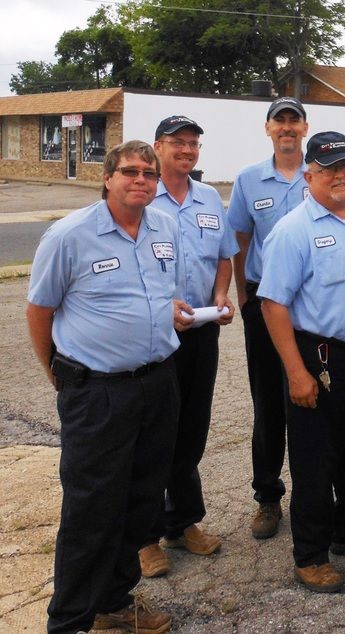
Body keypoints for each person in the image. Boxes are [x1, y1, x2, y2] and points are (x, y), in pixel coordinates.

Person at [27, 140, 191, 634]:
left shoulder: (165, 227)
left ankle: (113, 605)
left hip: (158, 384)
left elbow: (163, 291)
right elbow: (39, 311)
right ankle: (70, 621)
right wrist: (58, 374)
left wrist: (171, 313)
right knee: (91, 510)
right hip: (98, 394)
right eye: (130, 172)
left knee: (141, 503)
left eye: (149, 173)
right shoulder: (69, 235)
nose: (141, 180)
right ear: (108, 178)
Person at [258, 131, 345, 593]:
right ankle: (311, 555)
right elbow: (273, 304)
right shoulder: (292, 230)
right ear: (310, 174)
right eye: (329, 168)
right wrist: (296, 372)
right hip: (320, 359)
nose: (341, 176)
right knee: (317, 460)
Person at [137, 115, 236, 579]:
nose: (187, 150)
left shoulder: (209, 198)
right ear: (158, 147)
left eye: (194, 143)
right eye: (177, 142)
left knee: (192, 430)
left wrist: (221, 295)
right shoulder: (140, 198)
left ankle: (183, 522)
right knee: (153, 433)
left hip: (201, 331)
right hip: (155, 337)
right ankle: (144, 537)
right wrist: (160, 306)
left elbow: (223, 256)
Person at [228, 96, 309, 540]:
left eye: (293, 120)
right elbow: (239, 239)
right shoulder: (248, 180)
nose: (287, 128)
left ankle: (313, 494)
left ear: (304, 126)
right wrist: (243, 295)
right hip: (264, 301)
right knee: (268, 403)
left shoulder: (318, 173)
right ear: (268, 129)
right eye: (280, 121)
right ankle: (268, 496)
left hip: (310, 306)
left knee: (310, 395)